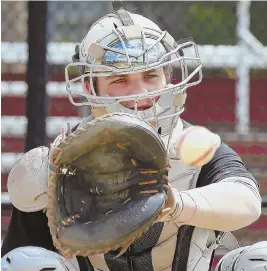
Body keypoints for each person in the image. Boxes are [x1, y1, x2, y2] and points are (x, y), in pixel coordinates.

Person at [2, 7, 262, 271]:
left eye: (150, 76)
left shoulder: (196, 148)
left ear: (168, 79)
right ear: (91, 87)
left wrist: (174, 203)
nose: (140, 94)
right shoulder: (60, 163)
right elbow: (16, 258)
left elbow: (248, 203)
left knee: (259, 261)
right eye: (120, 79)